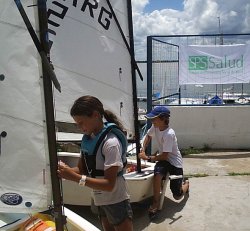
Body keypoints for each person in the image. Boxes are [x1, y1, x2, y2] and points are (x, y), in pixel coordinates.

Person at [57, 95, 133, 231]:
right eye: (77, 123)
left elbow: (109, 185)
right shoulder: (88, 140)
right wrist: (65, 171)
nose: (79, 127)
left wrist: (75, 178)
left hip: (115, 200)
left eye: (81, 122)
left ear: (96, 115)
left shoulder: (111, 143)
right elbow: (81, 169)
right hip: (98, 198)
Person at [138, 106, 189, 216]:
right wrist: (143, 148)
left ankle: (186, 184)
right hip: (163, 160)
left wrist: (148, 157)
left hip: (174, 162)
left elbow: (165, 156)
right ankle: (155, 203)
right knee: (157, 175)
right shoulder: (155, 127)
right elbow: (148, 136)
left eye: (154, 119)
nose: (152, 121)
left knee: (177, 195)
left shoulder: (169, 134)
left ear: (162, 119)